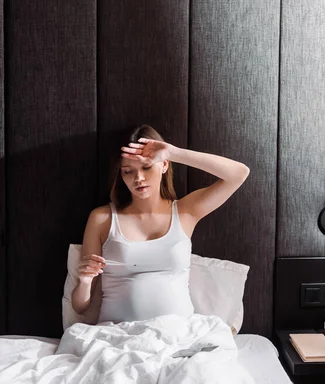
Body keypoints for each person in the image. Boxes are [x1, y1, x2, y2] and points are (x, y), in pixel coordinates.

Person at [71, 124, 250, 323]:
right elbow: (80, 307)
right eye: (128, 171)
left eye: (146, 167)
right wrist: (85, 282)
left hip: (177, 336)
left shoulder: (185, 211)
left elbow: (239, 174)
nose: (138, 178)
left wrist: (173, 152)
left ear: (164, 165)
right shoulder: (102, 218)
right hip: (119, 336)